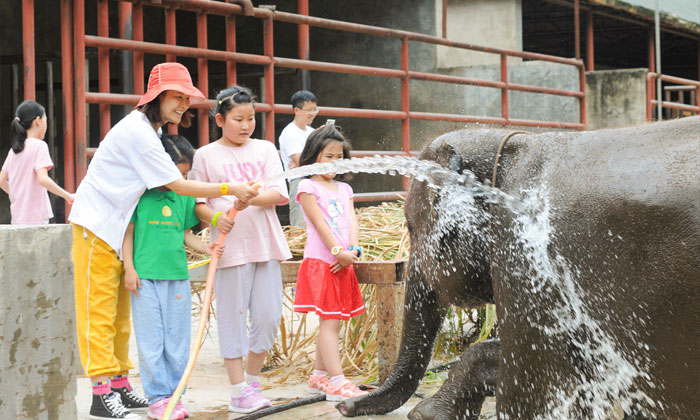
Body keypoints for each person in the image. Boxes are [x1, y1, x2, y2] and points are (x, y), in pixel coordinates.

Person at [69, 62, 259, 420]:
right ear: (156, 96)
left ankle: (121, 387)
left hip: (118, 227)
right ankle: (99, 394)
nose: (183, 104)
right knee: (99, 312)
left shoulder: (151, 132)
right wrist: (228, 188)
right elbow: (176, 185)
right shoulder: (138, 132)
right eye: (177, 96)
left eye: (187, 98)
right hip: (96, 226)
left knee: (121, 316)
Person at [190, 85, 292, 414]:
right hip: (230, 249)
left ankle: (252, 382)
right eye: (238, 119)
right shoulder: (205, 155)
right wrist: (218, 218)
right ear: (220, 119)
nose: (246, 125)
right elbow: (198, 205)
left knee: (267, 315)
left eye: (250, 118)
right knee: (232, 319)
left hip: (265, 245)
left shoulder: (265, 150)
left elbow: (278, 193)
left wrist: (246, 198)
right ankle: (237, 390)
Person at [122, 134, 220, 420]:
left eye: (186, 174)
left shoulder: (183, 196)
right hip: (145, 279)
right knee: (151, 340)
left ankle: (176, 396)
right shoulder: (139, 195)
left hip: (177, 277)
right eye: (176, 174)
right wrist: (129, 268)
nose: (181, 179)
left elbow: (186, 235)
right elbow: (127, 234)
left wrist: (208, 247)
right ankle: (158, 398)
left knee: (177, 339)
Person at [292, 123, 368, 401]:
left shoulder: (344, 189)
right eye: (328, 156)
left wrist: (353, 250)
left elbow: (352, 220)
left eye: (339, 157)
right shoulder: (307, 185)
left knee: (334, 321)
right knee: (330, 323)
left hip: (342, 261)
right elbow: (319, 222)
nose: (334, 163)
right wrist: (337, 251)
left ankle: (319, 376)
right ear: (313, 156)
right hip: (323, 262)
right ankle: (337, 380)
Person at [0, 100, 74, 224]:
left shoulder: (13, 151)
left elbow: (1, 181)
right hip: (37, 218)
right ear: (38, 121)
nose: (46, 124)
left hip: (17, 220)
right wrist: (68, 196)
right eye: (46, 120)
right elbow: (42, 179)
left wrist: (19, 195)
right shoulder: (40, 146)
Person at [278, 90, 318, 227]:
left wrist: (305, 162)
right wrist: (304, 162)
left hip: (314, 179)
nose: (313, 113)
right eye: (309, 110)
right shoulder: (289, 132)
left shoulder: (312, 132)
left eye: (315, 109)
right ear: (297, 110)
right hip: (299, 181)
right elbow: (301, 161)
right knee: (300, 225)